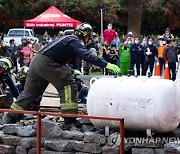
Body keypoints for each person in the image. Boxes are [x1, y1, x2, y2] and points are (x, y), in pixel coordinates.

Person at [2, 23, 121, 127]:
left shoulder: (66, 39)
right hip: (46, 63)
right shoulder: (74, 40)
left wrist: (70, 70)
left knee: (30, 93)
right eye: (89, 37)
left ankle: (10, 117)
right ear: (84, 35)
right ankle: (70, 120)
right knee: (68, 84)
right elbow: (87, 56)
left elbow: (59, 58)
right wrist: (107, 65)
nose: (89, 40)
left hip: (37, 62)